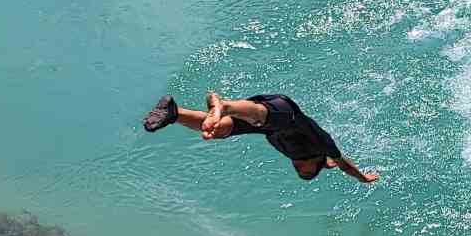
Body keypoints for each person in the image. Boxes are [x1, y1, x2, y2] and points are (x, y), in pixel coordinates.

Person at [142, 92, 379, 184]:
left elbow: (331, 164)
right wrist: (362, 177)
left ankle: (173, 113)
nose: (299, 169)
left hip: (266, 126)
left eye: (299, 172)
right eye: (307, 171)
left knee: (219, 131)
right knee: (260, 117)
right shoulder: (321, 143)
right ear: (318, 162)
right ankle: (224, 106)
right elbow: (341, 162)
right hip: (283, 112)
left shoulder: (292, 152)